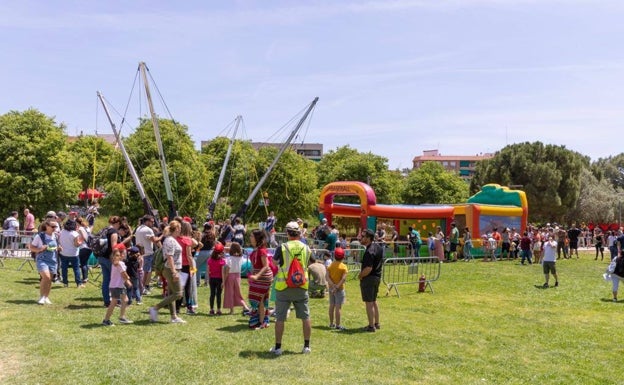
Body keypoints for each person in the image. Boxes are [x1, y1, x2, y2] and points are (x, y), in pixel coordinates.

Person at [270, 221, 312, 355]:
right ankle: (306, 346)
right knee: (305, 317)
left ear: (287, 233)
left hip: (284, 287)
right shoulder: (306, 247)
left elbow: (275, 262)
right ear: (299, 233)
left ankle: (278, 347)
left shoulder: (282, 247)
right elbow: (312, 262)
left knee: (280, 318)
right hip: (301, 286)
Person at [149, 220, 186, 323]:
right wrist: (174, 272)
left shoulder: (171, 239)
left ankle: (173, 317)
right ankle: (155, 308)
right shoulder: (170, 240)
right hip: (171, 269)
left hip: (172, 268)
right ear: (177, 229)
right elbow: (169, 257)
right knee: (178, 293)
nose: (180, 230)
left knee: (171, 293)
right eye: (180, 228)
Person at [358, 228, 383, 332]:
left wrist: (360, 275)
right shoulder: (378, 247)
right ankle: (376, 323)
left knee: (369, 302)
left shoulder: (369, 251)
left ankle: (371, 326)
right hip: (377, 277)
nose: (360, 238)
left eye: (363, 236)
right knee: (373, 301)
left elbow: (368, 268)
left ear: (368, 239)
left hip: (369, 278)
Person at [30, 219, 61, 305]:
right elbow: (31, 247)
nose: (54, 228)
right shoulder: (40, 236)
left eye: (56, 226)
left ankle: (46, 297)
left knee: (49, 280)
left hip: (53, 260)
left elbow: (57, 246)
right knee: (46, 277)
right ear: (47, 226)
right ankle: (41, 297)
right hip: (42, 259)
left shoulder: (56, 236)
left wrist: (59, 248)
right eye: (52, 226)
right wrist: (40, 249)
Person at [248, 229, 274, 330]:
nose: (250, 238)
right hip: (258, 277)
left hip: (263, 277)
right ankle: (260, 320)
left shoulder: (262, 250)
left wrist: (257, 276)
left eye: (251, 236)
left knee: (260, 300)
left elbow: (266, 266)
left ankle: (262, 322)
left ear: (257, 238)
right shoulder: (256, 250)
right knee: (256, 298)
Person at [102, 249, 133, 326]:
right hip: (116, 286)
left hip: (120, 285)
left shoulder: (117, 263)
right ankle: (106, 320)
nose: (122, 255)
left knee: (125, 300)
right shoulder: (120, 263)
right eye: (117, 255)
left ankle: (122, 317)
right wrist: (128, 280)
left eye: (122, 254)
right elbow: (123, 273)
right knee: (114, 302)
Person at [99, 216, 122, 307]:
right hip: (110, 258)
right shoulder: (114, 232)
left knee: (106, 280)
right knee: (116, 280)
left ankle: (106, 301)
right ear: (117, 223)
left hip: (101, 257)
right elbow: (114, 246)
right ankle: (117, 300)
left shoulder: (105, 229)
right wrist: (116, 258)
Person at [222, 242, 251, 315]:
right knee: (238, 293)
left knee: (230, 292)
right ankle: (245, 306)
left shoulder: (229, 258)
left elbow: (228, 269)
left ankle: (231, 310)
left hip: (230, 276)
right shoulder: (241, 258)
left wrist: (224, 281)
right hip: (238, 276)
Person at [176, 221, 197, 315]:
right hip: (185, 265)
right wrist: (192, 268)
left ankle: (177, 307)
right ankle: (189, 307)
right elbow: (189, 255)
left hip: (176, 265)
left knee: (179, 286)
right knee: (187, 287)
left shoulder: (175, 239)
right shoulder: (187, 240)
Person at [135, 215, 159, 296]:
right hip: (147, 253)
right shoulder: (148, 230)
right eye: (152, 221)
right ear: (147, 221)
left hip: (140, 253)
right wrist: (163, 235)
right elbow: (155, 240)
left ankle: (143, 287)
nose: (153, 223)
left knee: (142, 271)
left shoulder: (138, 228)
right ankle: (143, 288)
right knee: (147, 272)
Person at [327, 247, 348, 330]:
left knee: (331, 305)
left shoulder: (330, 265)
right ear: (343, 257)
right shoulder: (343, 267)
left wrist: (333, 286)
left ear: (334, 256)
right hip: (339, 289)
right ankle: (338, 325)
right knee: (338, 307)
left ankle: (331, 323)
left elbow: (327, 277)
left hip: (331, 288)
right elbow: (343, 279)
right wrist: (337, 286)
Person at [58, 219, 84, 288]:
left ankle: (65, 283)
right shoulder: (74, 233)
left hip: (63, 253)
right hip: (73, 253)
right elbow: (76, 244)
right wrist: (81, 241)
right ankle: (78, 283)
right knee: (76, 269)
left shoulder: (61, 232)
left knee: (64, 269)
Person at [207, 242, 226, 315]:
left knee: (212, 294)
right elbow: (222, 273)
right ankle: (218, 310)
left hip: (212, 279)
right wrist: (223, 282)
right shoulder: (222, 261)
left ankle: (211, 309)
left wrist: (208, 279)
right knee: (218, 295)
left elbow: (208, 271)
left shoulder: (210, 260)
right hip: (219, 279)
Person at [197, 222, 216, 286]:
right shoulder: (213, 234)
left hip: (203, 252)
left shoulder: (202, 234)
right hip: (210, 252)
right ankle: (206, 282)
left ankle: (198, 281)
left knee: (197, 266)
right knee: (208, 268)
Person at [76, 217, 92, 284]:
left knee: (83, 263)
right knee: (85, 263)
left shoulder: (80, 228)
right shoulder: (87, 228)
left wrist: (79, 242)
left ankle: (85, 278)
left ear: (77, 222)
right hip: (89, 247)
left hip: (83, 247)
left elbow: (82, 237)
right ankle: (86, 277)